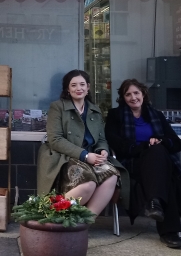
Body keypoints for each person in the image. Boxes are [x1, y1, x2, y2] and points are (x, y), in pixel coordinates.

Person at [105, 78, 181, 248]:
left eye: (136, 93)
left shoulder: (156, 115)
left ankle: (155, 203)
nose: (133, 97)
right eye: (128, 94)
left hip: (158, 163)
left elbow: (177, 143)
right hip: (132, 163)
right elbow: (116, 144)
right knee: (167, 176)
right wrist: (144, 146)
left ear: (143, 94)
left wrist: (161, 141)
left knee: (159, 154)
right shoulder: (115, 116)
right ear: (123, 98)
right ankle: (170, 232)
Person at [37, 70, 129, 216]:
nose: (78, 88)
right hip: (64, 156)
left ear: (88, 88)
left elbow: (101, 139)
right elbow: (55, 140)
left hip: (92, 155)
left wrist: (103, 150)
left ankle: (85, 223)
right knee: (88, 183)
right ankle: (50, 215)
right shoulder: (58, 107)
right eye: (73, 85)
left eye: (82, 84)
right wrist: (85, 155)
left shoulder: (94, 110)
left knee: (111, 175)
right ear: (67, 89)